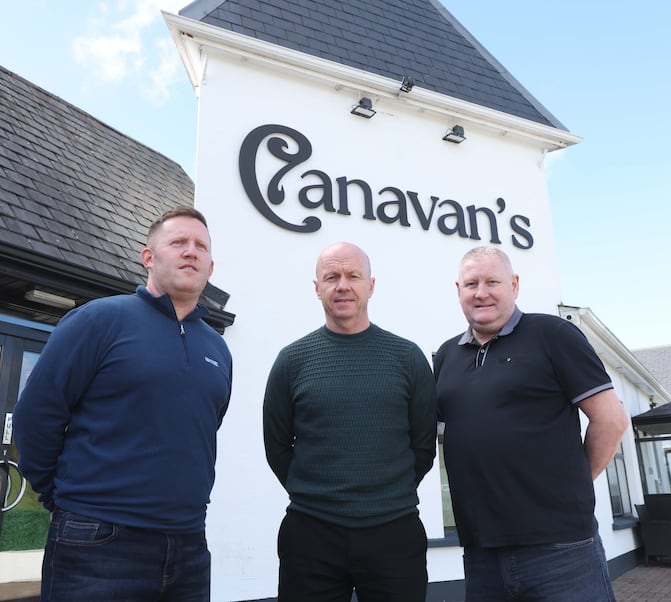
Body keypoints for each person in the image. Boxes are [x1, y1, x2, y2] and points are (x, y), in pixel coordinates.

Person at [14, 206, 233, 602]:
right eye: (178, 242)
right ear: (148, 257)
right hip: (98, 541)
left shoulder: (217, 348)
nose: (191, 251)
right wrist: (62, 500)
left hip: (188, 545)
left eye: (200, 246)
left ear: (211, 266)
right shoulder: (98, 321)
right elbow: (36, 417)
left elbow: (204, 428)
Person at [434, 246, 629, 602]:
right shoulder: (447, 355)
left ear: (515, 284)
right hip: (481, 550)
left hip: (561, 548)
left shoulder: (552, 334)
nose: (481, 292)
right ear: (458, 290)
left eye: (492, 281)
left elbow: (611, 420)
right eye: (471, 283)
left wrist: (572, 485)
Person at [263, 241, 437, 602]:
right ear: (317, 288)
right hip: (311, 535)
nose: (342, 285)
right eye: (331, 277)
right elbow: (277, 447)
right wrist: (318, 494)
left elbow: (423, 446)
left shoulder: (407, 358)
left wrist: (386, 493)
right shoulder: (291, 361)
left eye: (353, 276)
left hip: (394, 532)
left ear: (370, 285)